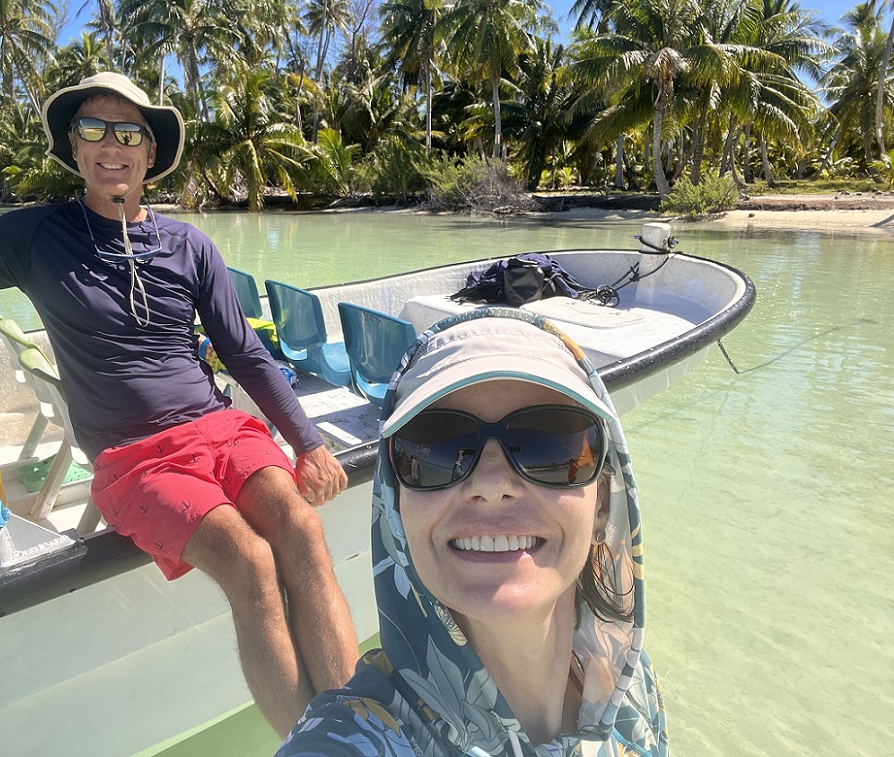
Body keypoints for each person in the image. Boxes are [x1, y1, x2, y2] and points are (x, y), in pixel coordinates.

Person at [0, 72, 359, 736]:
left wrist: (308, 441)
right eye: (92, 129)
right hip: (133, 459)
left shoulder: (190, 245)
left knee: (303, 531)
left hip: (222, 429)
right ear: (75, 150)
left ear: (149, 152)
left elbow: (248, 355)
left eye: (128, 132)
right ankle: (311, 746)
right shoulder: (36, 236)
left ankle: (355, 737)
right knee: (250, 562)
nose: (110, 144)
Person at [276, 308, 668, 756]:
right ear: (396, 508)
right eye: (438, 448)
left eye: (549, 445)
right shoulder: (345, 742)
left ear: (601, 501)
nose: (491, 484)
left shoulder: (632, 688)